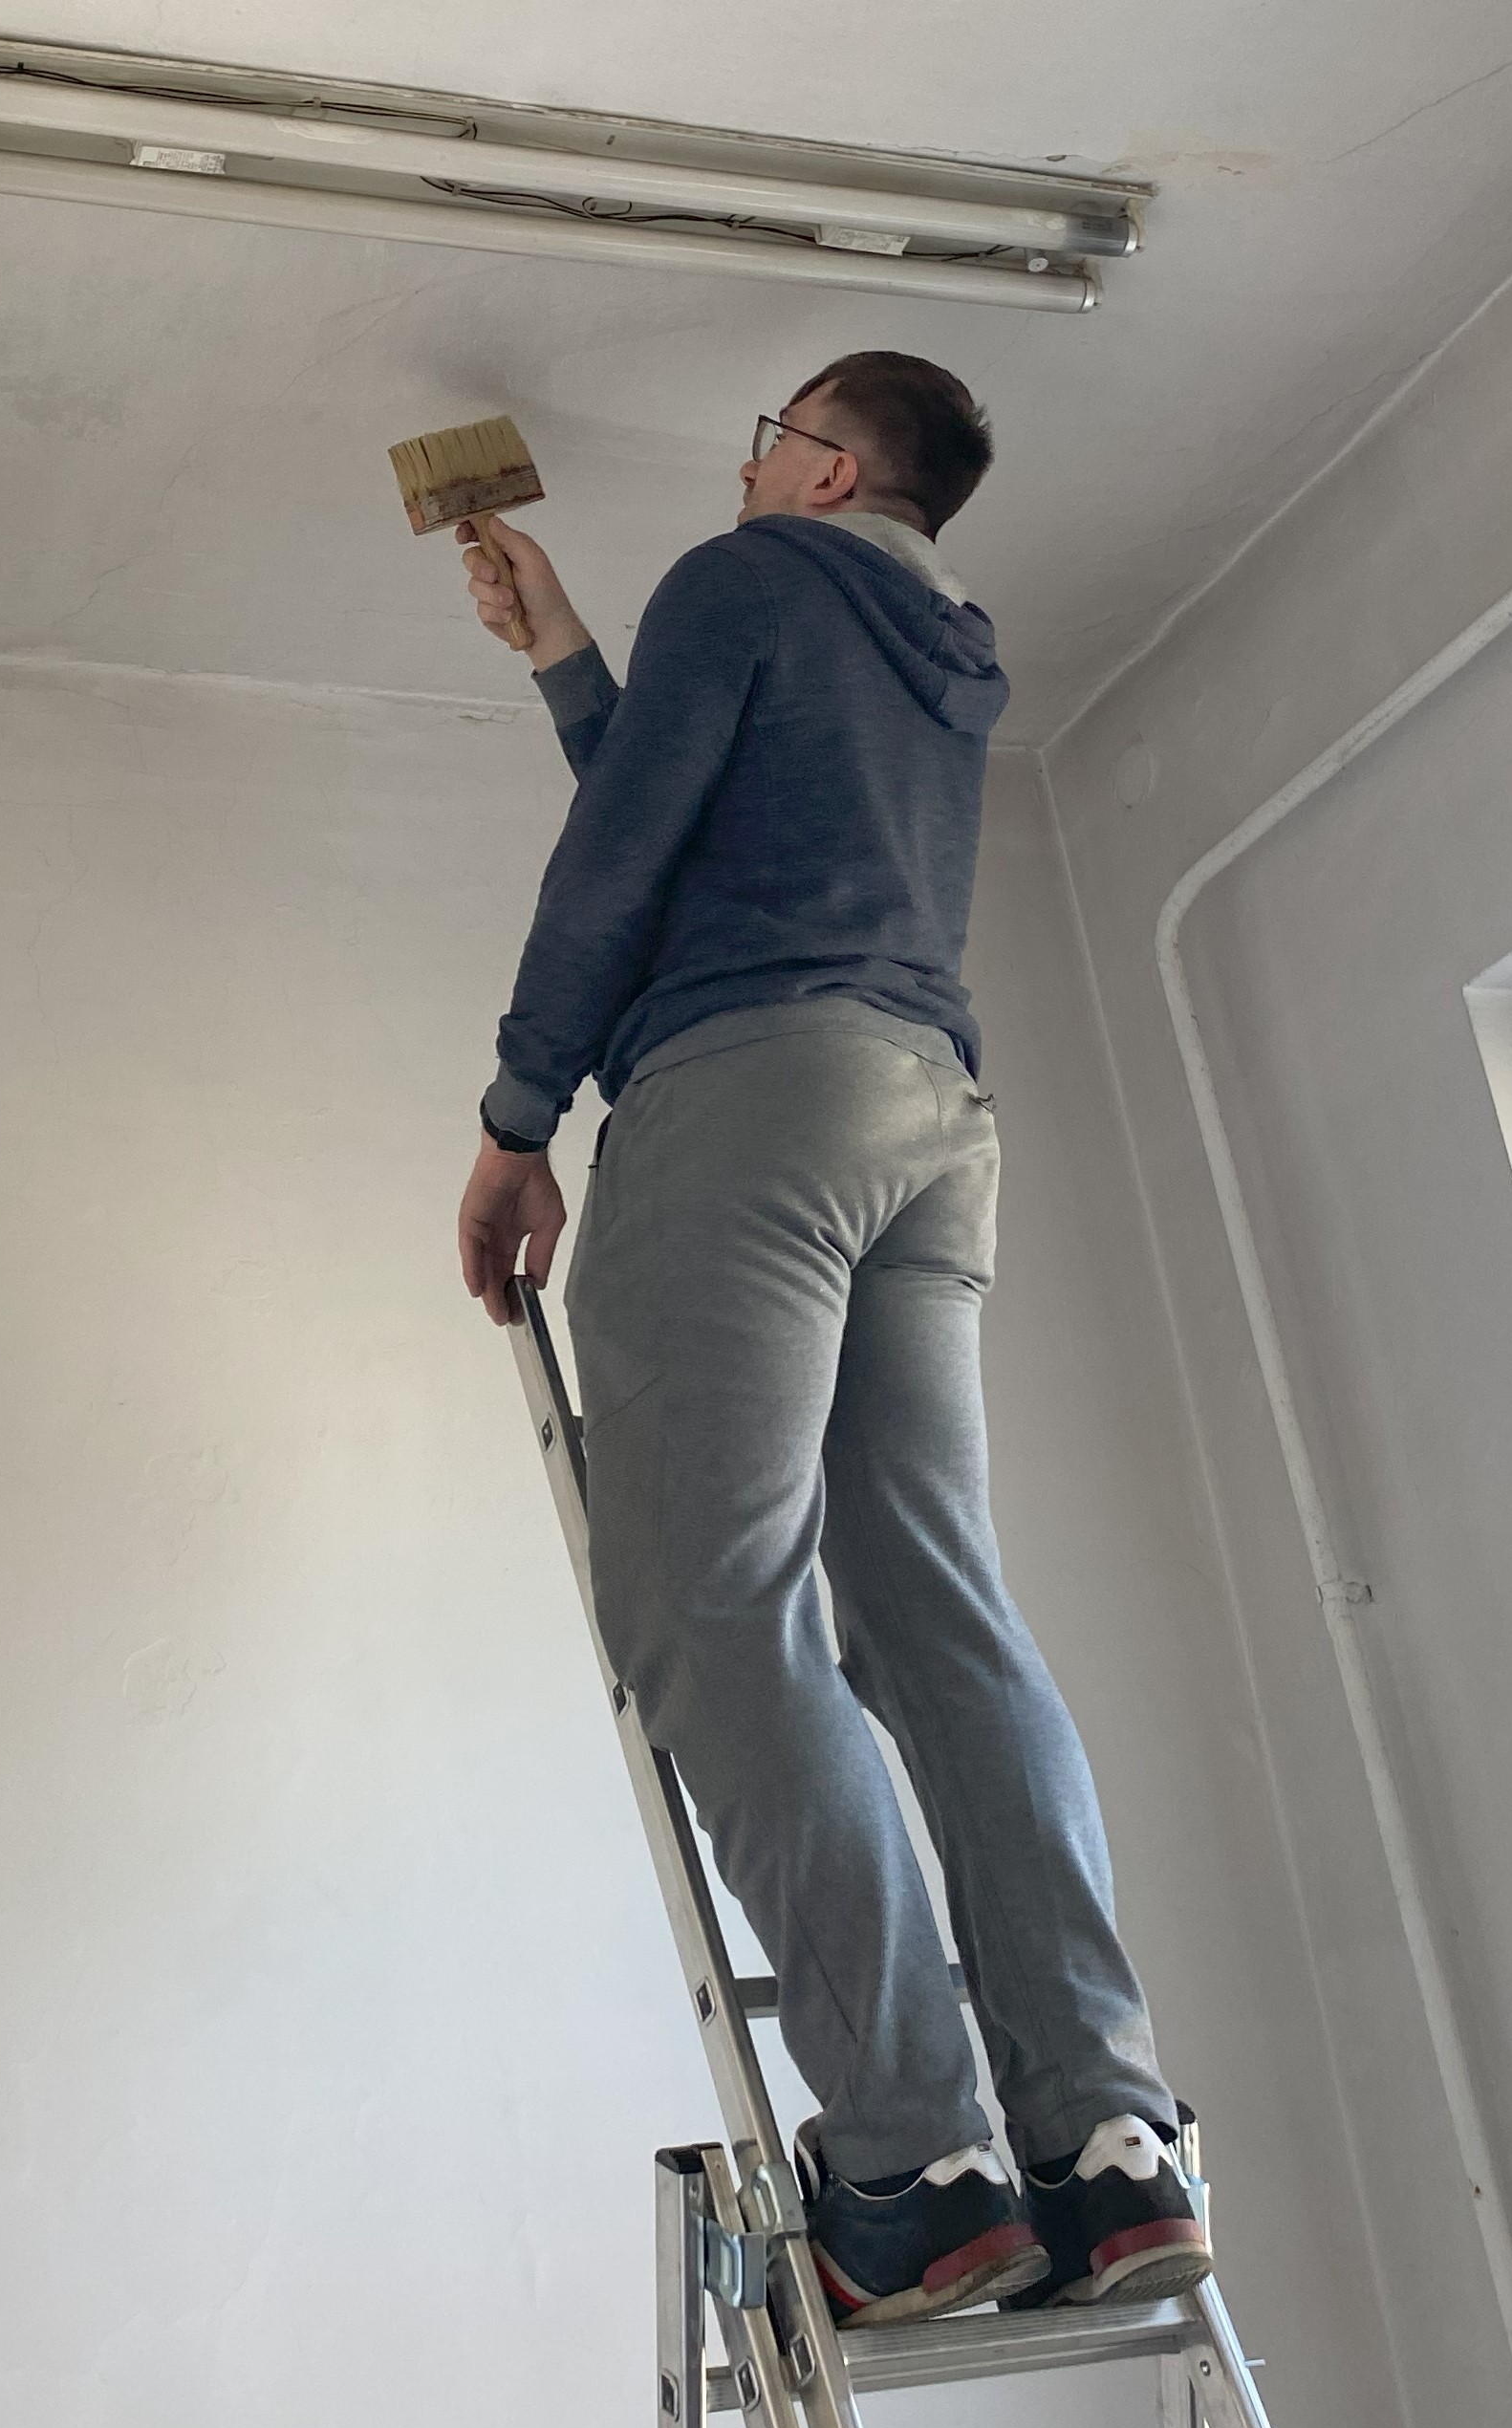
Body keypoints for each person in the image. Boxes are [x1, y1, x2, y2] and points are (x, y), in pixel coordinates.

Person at [452, 353, 1206, 2326]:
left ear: (827, 466)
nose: (744, 460)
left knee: (715, 1599)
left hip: (748, 1108)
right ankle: (1106, 2139)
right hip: (928, 1123)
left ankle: (914, 2161)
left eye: (768, 434)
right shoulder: (944, 651)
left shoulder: (745, 576)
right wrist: (568, 658)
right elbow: (711, 832)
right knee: (941, 1611)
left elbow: (624, 861)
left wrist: (520, 1119)